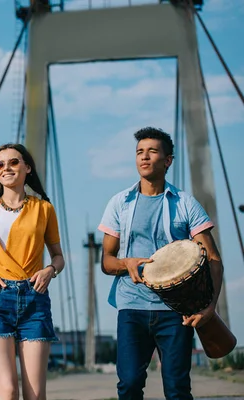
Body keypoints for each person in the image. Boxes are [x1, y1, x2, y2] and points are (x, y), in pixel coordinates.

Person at [98, 127, 224, 400]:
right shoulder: (119, 203)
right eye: (139, 152)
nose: (144, 157)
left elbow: (213, 259)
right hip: (131, 307)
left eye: (152, 151)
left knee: (177, 389)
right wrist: (126, 264)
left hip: (176, 311)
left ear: (168, 161)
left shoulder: (186, 203)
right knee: (129, 384)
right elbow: (106, 262)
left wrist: (210, 308)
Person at [0, 143, 65, 400]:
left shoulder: (44, 209)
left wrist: (49, 270)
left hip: (34, 299)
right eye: (0, 165)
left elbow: (58, 257)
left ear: (27, 168)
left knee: (35, 394)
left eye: (13, 162)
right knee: (8, 390)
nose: (6, 168)